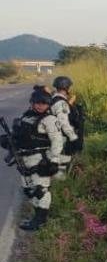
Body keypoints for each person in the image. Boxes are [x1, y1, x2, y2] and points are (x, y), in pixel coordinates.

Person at [11, 89, 64, 231]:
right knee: (28, 190)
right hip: (24, 158)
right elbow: (20, 136)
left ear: (48, 104)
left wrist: (54, 161)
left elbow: (57, 141)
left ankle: (40, 220)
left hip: (40, 159)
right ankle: (37, 216)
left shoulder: (50, 120)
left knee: (41, 190)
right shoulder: (26, 117)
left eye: (44, 103)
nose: (41, 106)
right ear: (32, 103)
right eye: (37, 103)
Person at [49, 76, 81, 179]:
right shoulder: (60, 102)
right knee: (63, 160)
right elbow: (64, 123)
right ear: (66, 87)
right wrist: (73, 137)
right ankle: (61, 182)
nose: (70, 89)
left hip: (55, 135)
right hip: (60, 137)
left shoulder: (54, 99)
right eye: (69, 87)